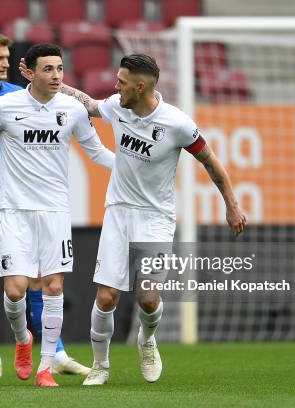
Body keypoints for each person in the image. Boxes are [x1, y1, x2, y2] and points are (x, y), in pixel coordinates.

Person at [45, 54, 246, 385]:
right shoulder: (117, 106)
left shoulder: (177, 124)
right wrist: (55, 84)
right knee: (107, 296)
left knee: (148, 298)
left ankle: (147, 339)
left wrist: (232, 206)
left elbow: (211, 163)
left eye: (122, 82)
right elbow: (91, 105)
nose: (115, 86)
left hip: (156, 218)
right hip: (119, 212)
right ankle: (101, 366)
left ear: (140, 87)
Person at [0, 43, 115, 387]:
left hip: (56, 212)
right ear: (29, 72)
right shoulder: (4, 107)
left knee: (53, 287)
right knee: (15, 291)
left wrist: (136, 168)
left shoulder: (72, 110)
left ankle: (46, 367)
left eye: (60, 68)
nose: (56, 76)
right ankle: (22, 340)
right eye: (48, 69)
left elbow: (97, 152)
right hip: (14, 212)